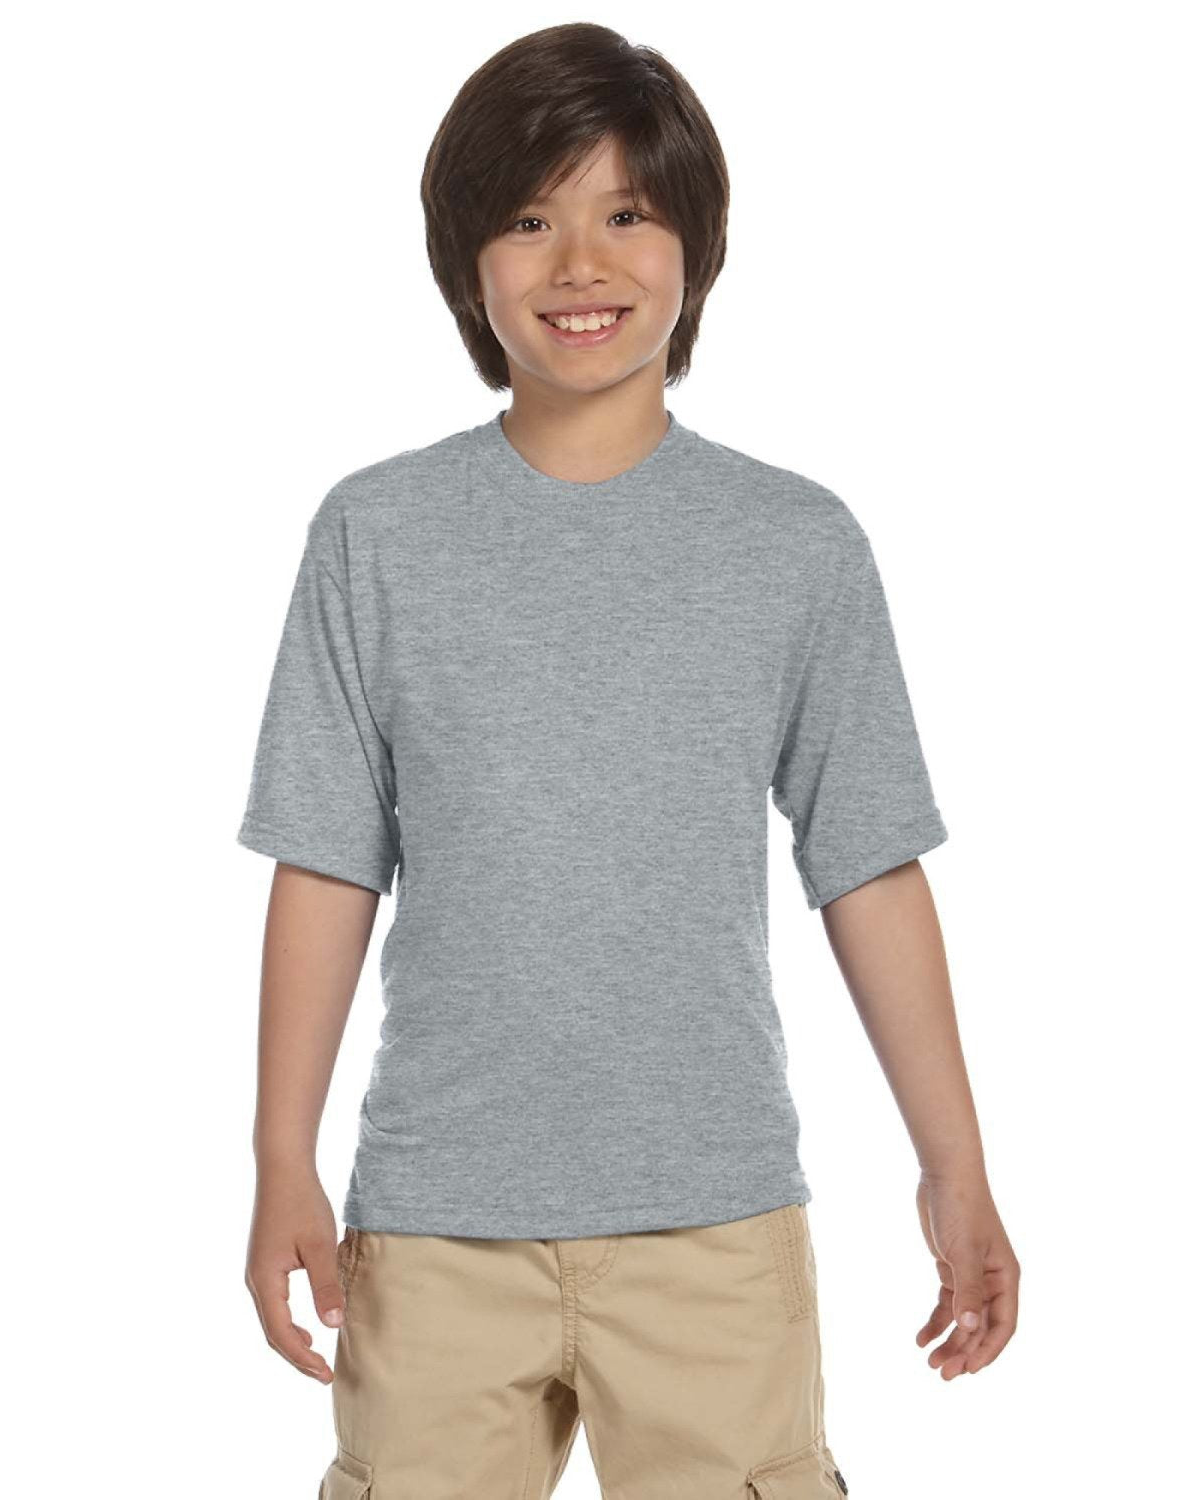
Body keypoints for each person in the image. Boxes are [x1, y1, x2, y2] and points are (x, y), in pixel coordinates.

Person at [237, 22, 1019, 1498]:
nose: (580, 263)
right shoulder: (376, 536)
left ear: (695, 247)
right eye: (530, 220)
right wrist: (284, 1154)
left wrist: (955, 1166)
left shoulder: (794, 546)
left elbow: (868, 867)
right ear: (468, 261)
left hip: (713, 1223)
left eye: (626, 213)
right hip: (437, 1225)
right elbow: (326, 861)